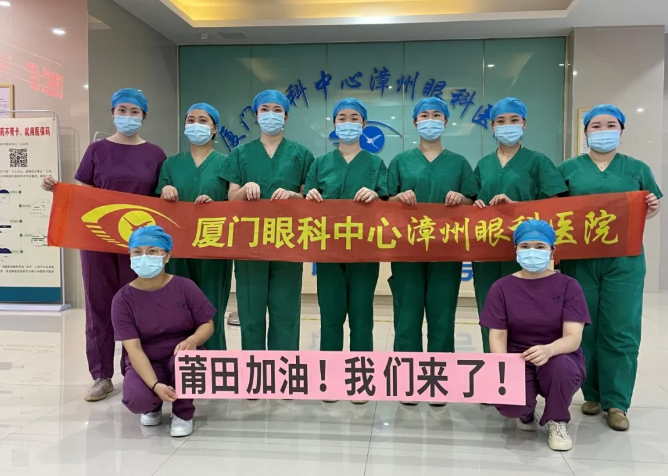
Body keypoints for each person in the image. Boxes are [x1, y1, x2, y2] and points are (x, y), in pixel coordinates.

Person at [42, 88, 166, 402]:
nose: (128, 116)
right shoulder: (96, 150)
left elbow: (161, 198)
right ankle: (101, 375)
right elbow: (81, 194)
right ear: (112, 113)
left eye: (134, 112)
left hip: (139, 245)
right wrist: (57, 189)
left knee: (138, 305)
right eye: (122, 110)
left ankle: (136, 370)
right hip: (96, 241)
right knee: (99, 305)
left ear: (144, 116)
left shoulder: (155, 154)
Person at [558, 104, 662, 431]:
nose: (603, 131)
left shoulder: (637, 169)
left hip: (624, 261)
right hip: (580, 261)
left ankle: (617, 402)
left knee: (620, 328)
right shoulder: (568, 169)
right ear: (586, 131)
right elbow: (551, 207)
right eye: (596, 126)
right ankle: (591, 393)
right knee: (582, 327)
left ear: (621, 130)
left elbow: (651, 205)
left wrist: (652, 206)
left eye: (611, 125)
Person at [387, 97, 479, 382]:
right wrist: (398, 197)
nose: (430, 120)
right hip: (407, 250)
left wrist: (462, 198)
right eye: (424, 115)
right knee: (407, 315)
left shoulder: (459, 163)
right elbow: (384, 201)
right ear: (415, 123)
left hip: (446, 251)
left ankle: (438, 379)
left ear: (445, 121)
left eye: (436, 115)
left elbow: (474, 201)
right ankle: (407, 379)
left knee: (442, 316)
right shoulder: (401, 162)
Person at [481, 219, 590, 452]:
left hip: (558, 356)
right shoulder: (501, 288)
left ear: (552, 251)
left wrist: (549, 350)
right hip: (518, 359)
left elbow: (573, 337)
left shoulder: (569, 286)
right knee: (512, 406)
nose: (532, 251)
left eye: (540, 246)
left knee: (561, 368)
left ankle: (557, 420)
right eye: (525, 246)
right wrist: (505, 368)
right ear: (516, 250)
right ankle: (525, 411)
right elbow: (497, 337)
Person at [220, 90, 315, 350]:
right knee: (250, 312)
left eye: (277, 110)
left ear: (286, 116)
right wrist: (244, 188)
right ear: (256, 115)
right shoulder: (240, 154)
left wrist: (293, 195)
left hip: (287, 241)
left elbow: (309, 197)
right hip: (250, 243)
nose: (270, 115)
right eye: (264, 109)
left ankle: (284, 368)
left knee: (286, 311)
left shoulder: (301, 154)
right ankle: (254, 368)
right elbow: (231, 199)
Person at [473, 97, 567, 353]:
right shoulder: (483, 165)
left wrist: (519, 207)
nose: (508, 125)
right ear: (492, 126)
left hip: (528, 251)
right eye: (501, 121)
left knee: (527, 311)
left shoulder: (538, 161)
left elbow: (555, 206)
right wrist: (476, 204)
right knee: (490, 311)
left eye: (514, 120)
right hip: (488, 251)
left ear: (524, 123)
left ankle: (528, 369)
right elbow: (471, 201)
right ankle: (495, 368)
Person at [111, 226, 215, 438]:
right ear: (130, 256)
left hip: (180, 355)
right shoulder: (122, 300)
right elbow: (134, 349)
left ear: (166, 256)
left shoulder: (185, 287)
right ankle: (153, 406)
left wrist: (193, 340)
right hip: (147, 359)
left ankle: (183, 413)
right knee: (136, 399)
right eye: (137, 252)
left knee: (188, 362)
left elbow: (207, 324)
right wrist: (155, 385)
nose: (144, 257)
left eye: (152, 251)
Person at [305, 98, 388, 358]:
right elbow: (307, 202)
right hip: (328, 250)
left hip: (364, 250)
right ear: (334, 123)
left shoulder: (375, 164)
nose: (348, 123)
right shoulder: (320, 163)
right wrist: (311, 197)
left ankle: (361, 373)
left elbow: (388, 204)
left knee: (362, 317)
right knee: (330, 316)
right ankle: (330, 372)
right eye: (342, 118)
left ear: (364, 124)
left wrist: (376, 195)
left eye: (354, 118)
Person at [157, 102, 231, 350]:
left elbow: (235, 203)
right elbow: (158, 202)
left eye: (202, 120)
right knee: (178, 304)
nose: (195, 125)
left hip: (214, 245)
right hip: (177, 245)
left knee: (211, 306)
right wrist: (165, 191)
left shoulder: (227, 163)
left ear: (214, 128)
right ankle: (180, 362)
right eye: (190, 120)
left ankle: (214, 362)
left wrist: (215, 205)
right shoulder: (171, 163)